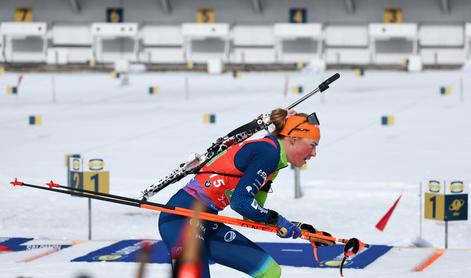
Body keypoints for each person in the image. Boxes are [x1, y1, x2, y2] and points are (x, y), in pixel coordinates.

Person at [159, 108, 331, 278]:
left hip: (207, 220)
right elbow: (240, 202)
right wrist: (278, 220)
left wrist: (299, 229)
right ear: (293, 139)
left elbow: (252, 214)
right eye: (312, 145)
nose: (314, 153)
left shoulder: (274, 162)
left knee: (269, 271)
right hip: (181, 217)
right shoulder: (268, 152)